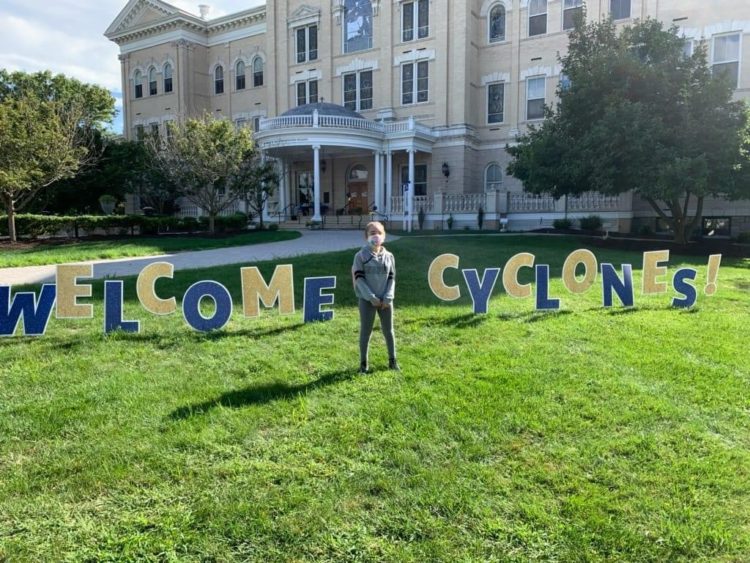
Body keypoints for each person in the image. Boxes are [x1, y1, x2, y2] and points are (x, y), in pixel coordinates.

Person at [352, 221, 399, 373]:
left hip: (386, 301)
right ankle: (363, 364)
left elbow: (392, 278)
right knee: (366, 331)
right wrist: (371, 297)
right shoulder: (360, 256)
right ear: (366, 236)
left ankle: (392, 361)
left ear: (384, 236)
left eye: (379, 233)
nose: (376, 236)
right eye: (372, 233)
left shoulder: (389, 256)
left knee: (389, 331)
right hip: (367, 301)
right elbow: (359, 279)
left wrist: (388, 297)